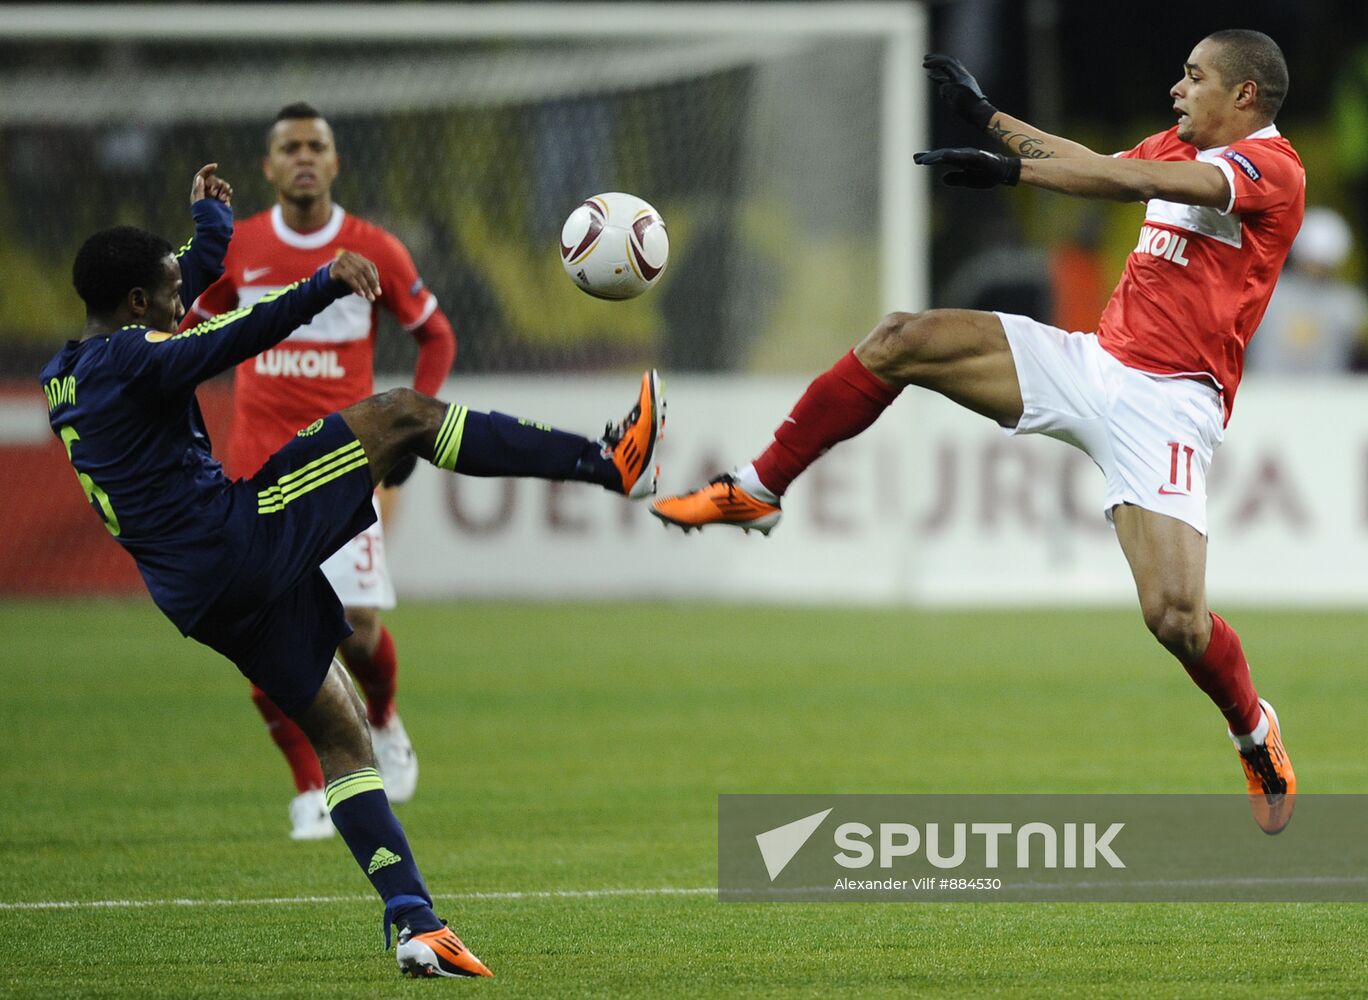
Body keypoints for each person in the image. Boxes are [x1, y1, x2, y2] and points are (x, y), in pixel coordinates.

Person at [653, 30, 1301, 834]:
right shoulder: (1185, 144)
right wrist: (992, 120)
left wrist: (1015, 171)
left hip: (1172, 403)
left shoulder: (1273, 169)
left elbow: (1131, 178)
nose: (1177, 88)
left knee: (1175, 617)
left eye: (1194, 76)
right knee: (900, 340)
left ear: (1244, 96)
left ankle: (1252, 729)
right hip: (1093, 362)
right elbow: (1101, 166)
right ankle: (758, 490)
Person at [42, 165, 663, 977]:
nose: (177, 301)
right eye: (163, 295)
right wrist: (320, 284)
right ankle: (610, 462)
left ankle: (415, 923)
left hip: (194, 595)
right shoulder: (138, 359)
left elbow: (188, 289)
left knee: (340, 731)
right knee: (401, 414)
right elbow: (227, 334)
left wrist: (208, 224)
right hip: (237, 540)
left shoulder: (68, 372)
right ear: (134, 306)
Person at [182, 103, 455, 839]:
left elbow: (434, 333)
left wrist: (411, 432)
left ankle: (386, 719)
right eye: (290, 147)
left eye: (317, 145)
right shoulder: (242, 249)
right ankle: (310, 787)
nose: (304, 156)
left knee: (356, 628)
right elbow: (183, 332)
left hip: (342, 467)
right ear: (269, 167)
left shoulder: (377, 249)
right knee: (261, 640)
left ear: (335, 162)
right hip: (253, 475)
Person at [1245, 206, 1368, 374]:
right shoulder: (1265, 293)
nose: (1314, 267)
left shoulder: (1349, 304)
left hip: (1328, 396)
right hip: (1263, 392)